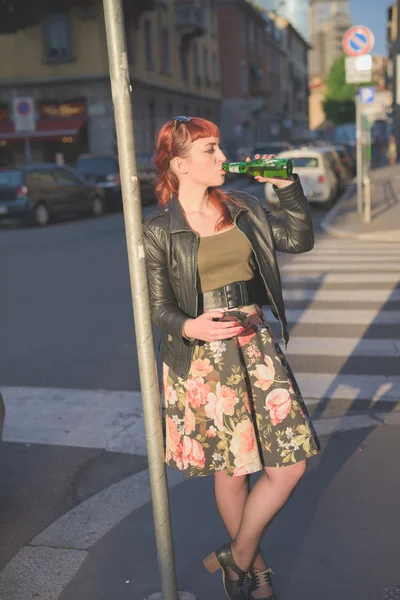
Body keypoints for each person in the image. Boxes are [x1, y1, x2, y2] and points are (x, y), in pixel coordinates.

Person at [143, 117, 320, 600]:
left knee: (290, 466)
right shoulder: (159, 229)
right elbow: (157, 305)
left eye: (220, 148)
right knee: (234, 469)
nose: (223, 158)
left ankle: (235, 557)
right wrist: (190, 325)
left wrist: (288, 188)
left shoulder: (244, 208)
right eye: (210, 150)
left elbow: (298, 240)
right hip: (203, 358)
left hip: (255, 345)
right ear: (180, 165)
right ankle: (256, 570)